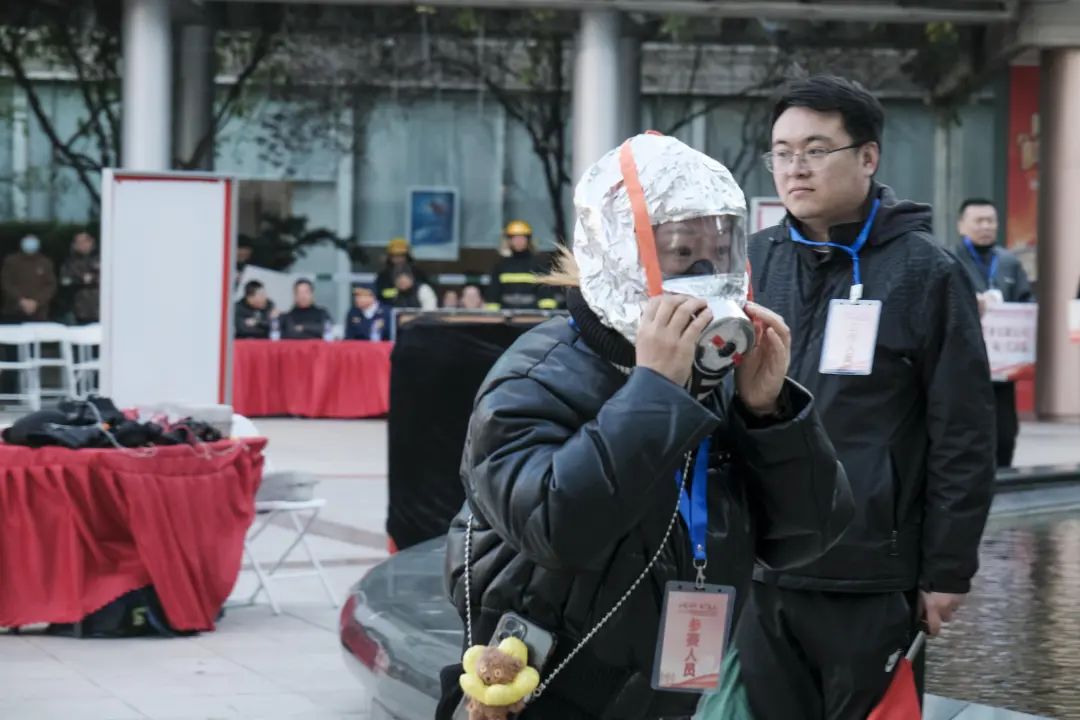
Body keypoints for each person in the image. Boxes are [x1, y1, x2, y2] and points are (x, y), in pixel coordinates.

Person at [438, 133, 853, 719]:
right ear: (619, 253)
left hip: (662, 693)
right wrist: (655, 392)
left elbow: (806, 538)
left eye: (721, 251)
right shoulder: (536, 377)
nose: (705, 273)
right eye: (682, 254)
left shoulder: (713, 378)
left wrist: (770, 414)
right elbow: (556, 528)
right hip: (537, 693)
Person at [735, 75, 995, 720]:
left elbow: (963, 432)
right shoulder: (751, 264)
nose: (795, 168)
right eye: (781, 152)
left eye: (815, 149)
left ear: (868, 156)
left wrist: (947, 571)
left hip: (872, 573)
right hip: (760, 571)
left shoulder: (926, 272)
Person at [954, 198, 1034, 469]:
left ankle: (1004, 474)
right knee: (969, 428)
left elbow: (1026, 302)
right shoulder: (950, 260)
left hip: (1003, 366)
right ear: (962, 226)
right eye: (979, 221)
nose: (986, 226)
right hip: (965, 365)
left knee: (1005, 432)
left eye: (990, 221)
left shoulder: (1009, 262)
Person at [487, 220, 558, 310]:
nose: (519, 241)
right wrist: (493, 314)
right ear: (509, 240)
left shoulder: (538, 264)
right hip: (506, 311)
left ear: (528, 240)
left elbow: (545, 291)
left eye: (522, 238)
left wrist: (546, 311)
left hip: (532, 312)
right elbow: (493, 291)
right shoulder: (501, 265)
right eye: (515, 238)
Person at [1, 235, 57, 322]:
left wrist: (36, 302)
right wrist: (20, 300)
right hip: (13, 311)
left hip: (39, 312)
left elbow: (50, 285)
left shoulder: (45, 263)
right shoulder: (11, 261)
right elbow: (6, 283)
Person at [59, 231, 100, 324]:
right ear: (74, 245)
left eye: (85, 241)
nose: (82, 244)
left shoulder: (102, 259)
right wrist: (82, 280)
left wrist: (92, 279)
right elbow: (65, 281)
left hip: (101, 310)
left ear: (92, 242)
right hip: (78, 311)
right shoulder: (69, 263)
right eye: (79, 242)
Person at [375, 237, 429, 304]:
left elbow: (425, 289)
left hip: (415, 307)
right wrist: (398, 291)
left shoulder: (417, 272)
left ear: (407, 256)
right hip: (391, 306)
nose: (398, 258)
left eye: (401, 255)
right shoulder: (383, 275)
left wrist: (411, 288)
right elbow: (381, 293)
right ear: (389, 257)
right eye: (394, 255)